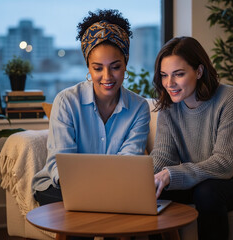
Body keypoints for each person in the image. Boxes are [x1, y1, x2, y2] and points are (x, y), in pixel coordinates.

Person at [151, 36, 233, 240]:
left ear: (199, 71)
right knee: (152, 192)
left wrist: (170, 175)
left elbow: (225, 164)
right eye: (164, 75)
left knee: (207, 191)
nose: (169, 83)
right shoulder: (169, 106)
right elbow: (163, 157)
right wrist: (142, 179)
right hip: (203, 182)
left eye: (178, 74)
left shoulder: (229, 98)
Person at [32, 9, 150, 207]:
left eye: (115, 66)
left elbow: (128, 162)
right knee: (88, 209)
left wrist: (103, 188)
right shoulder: (66, 102)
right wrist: (89, 189)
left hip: (115, 187)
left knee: (113, 205)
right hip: (61, 186)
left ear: (126, 64)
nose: (107, 76)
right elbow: (60, 163)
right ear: (88, 66)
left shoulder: (139, 108)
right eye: (98, 68)